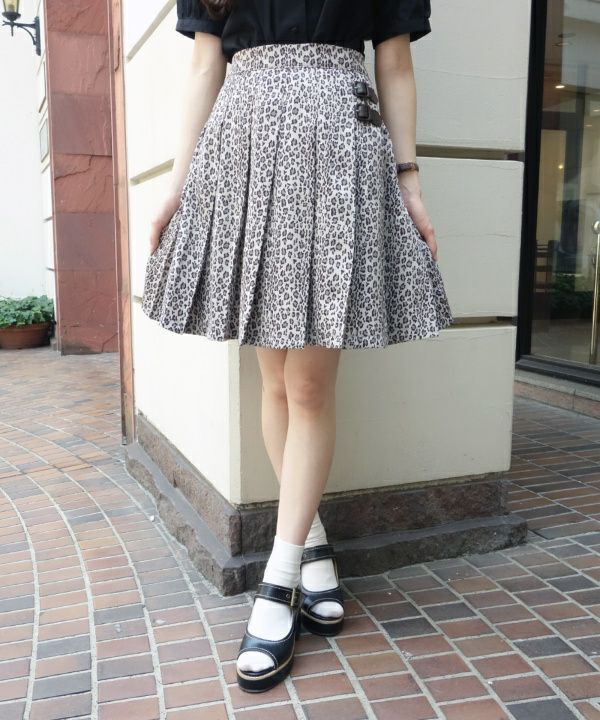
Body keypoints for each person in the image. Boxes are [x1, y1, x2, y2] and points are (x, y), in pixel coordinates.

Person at [141, 0, 453, 693]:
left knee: (309, 386)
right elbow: (204, 65)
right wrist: (178, 184)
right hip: (246, 147)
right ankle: (311, 548)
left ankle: (277, 585)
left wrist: (410, 180)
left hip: (339, 146)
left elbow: (395, 61)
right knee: (277, 382)